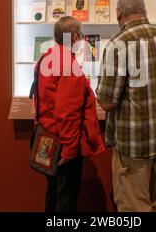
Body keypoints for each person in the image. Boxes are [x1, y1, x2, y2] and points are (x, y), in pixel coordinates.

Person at [96, 0, 156, 212]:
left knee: (134, 208)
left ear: (118, 14)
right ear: (144, 11)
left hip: (135, 145)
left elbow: (106, 102)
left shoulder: (118, 44)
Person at [33, 16, 105, 212]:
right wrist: (70, 150)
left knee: (53, 192)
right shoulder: (69, 65)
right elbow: (67, 112)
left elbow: (42, 100)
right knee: (66, 199)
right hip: (63, 143)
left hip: (47, 136)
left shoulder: (45, 58)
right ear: (74, 38)